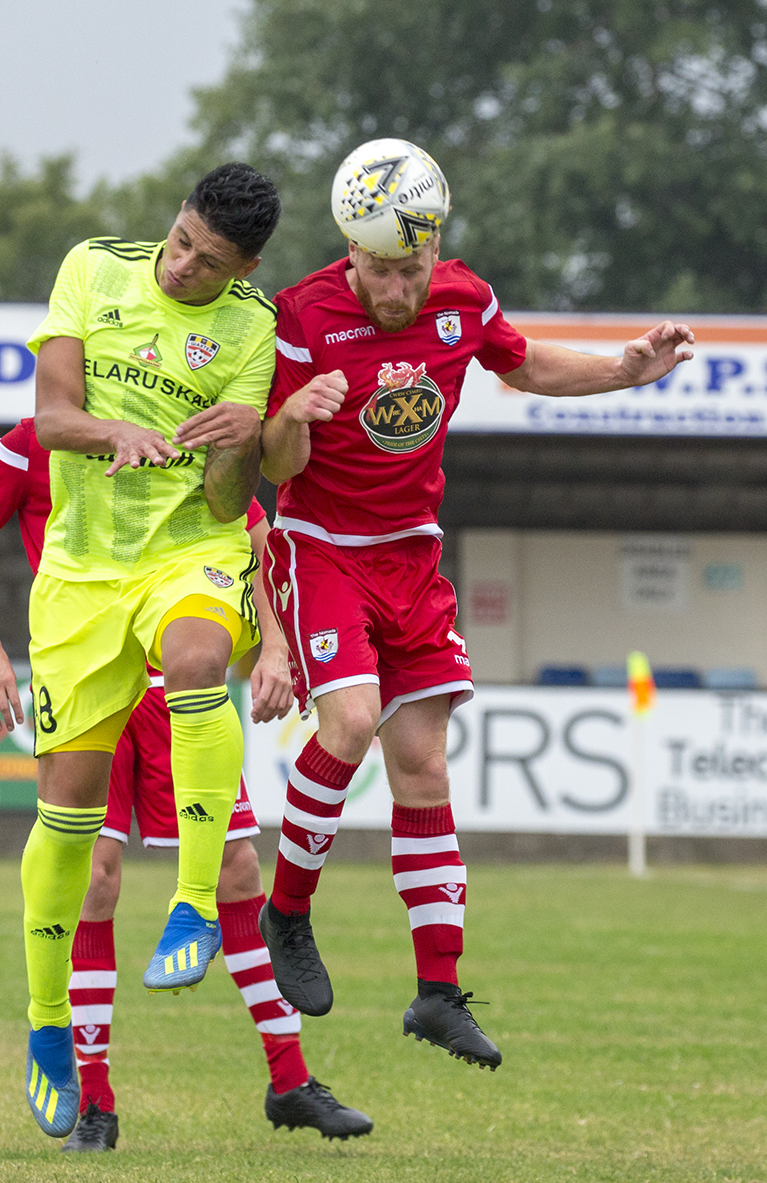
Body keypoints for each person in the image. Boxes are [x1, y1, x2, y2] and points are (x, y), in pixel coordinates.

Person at [254, 138, 695, 1072]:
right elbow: (272, 467)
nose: (395, 291)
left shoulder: (465, 298)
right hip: (323, 547)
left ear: (432, 252)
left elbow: (524, 364)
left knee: (422, 763)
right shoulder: (301, 315)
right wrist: (295, 417)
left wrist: (629, 368)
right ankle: (287, 910)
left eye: (409, 270)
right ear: (351, 255)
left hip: (412, 556)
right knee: (356, 719)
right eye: (378, 271)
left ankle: (436, 992)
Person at [0, 418, 371, 1151]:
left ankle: (290, 1080)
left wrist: (272, 642)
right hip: (90, 680)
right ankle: (94, 1100)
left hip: (180, 681)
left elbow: (256, 536)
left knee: (236, 869)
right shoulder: (33, 441)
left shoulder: (179, 423)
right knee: (94, 878)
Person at [11, 162, 286, 1139]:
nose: (180, 267)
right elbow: (50, 418)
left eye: (208, 263)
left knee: (202, 661)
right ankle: (49, 1028)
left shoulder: (255, 329)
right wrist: (114, 430)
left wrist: (244, 435)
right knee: (68, 822)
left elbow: (227, 500)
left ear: (245, 265)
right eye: (179, 241)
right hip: (82, 577)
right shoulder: (93, 266)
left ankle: (196, 903)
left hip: (188, 552)